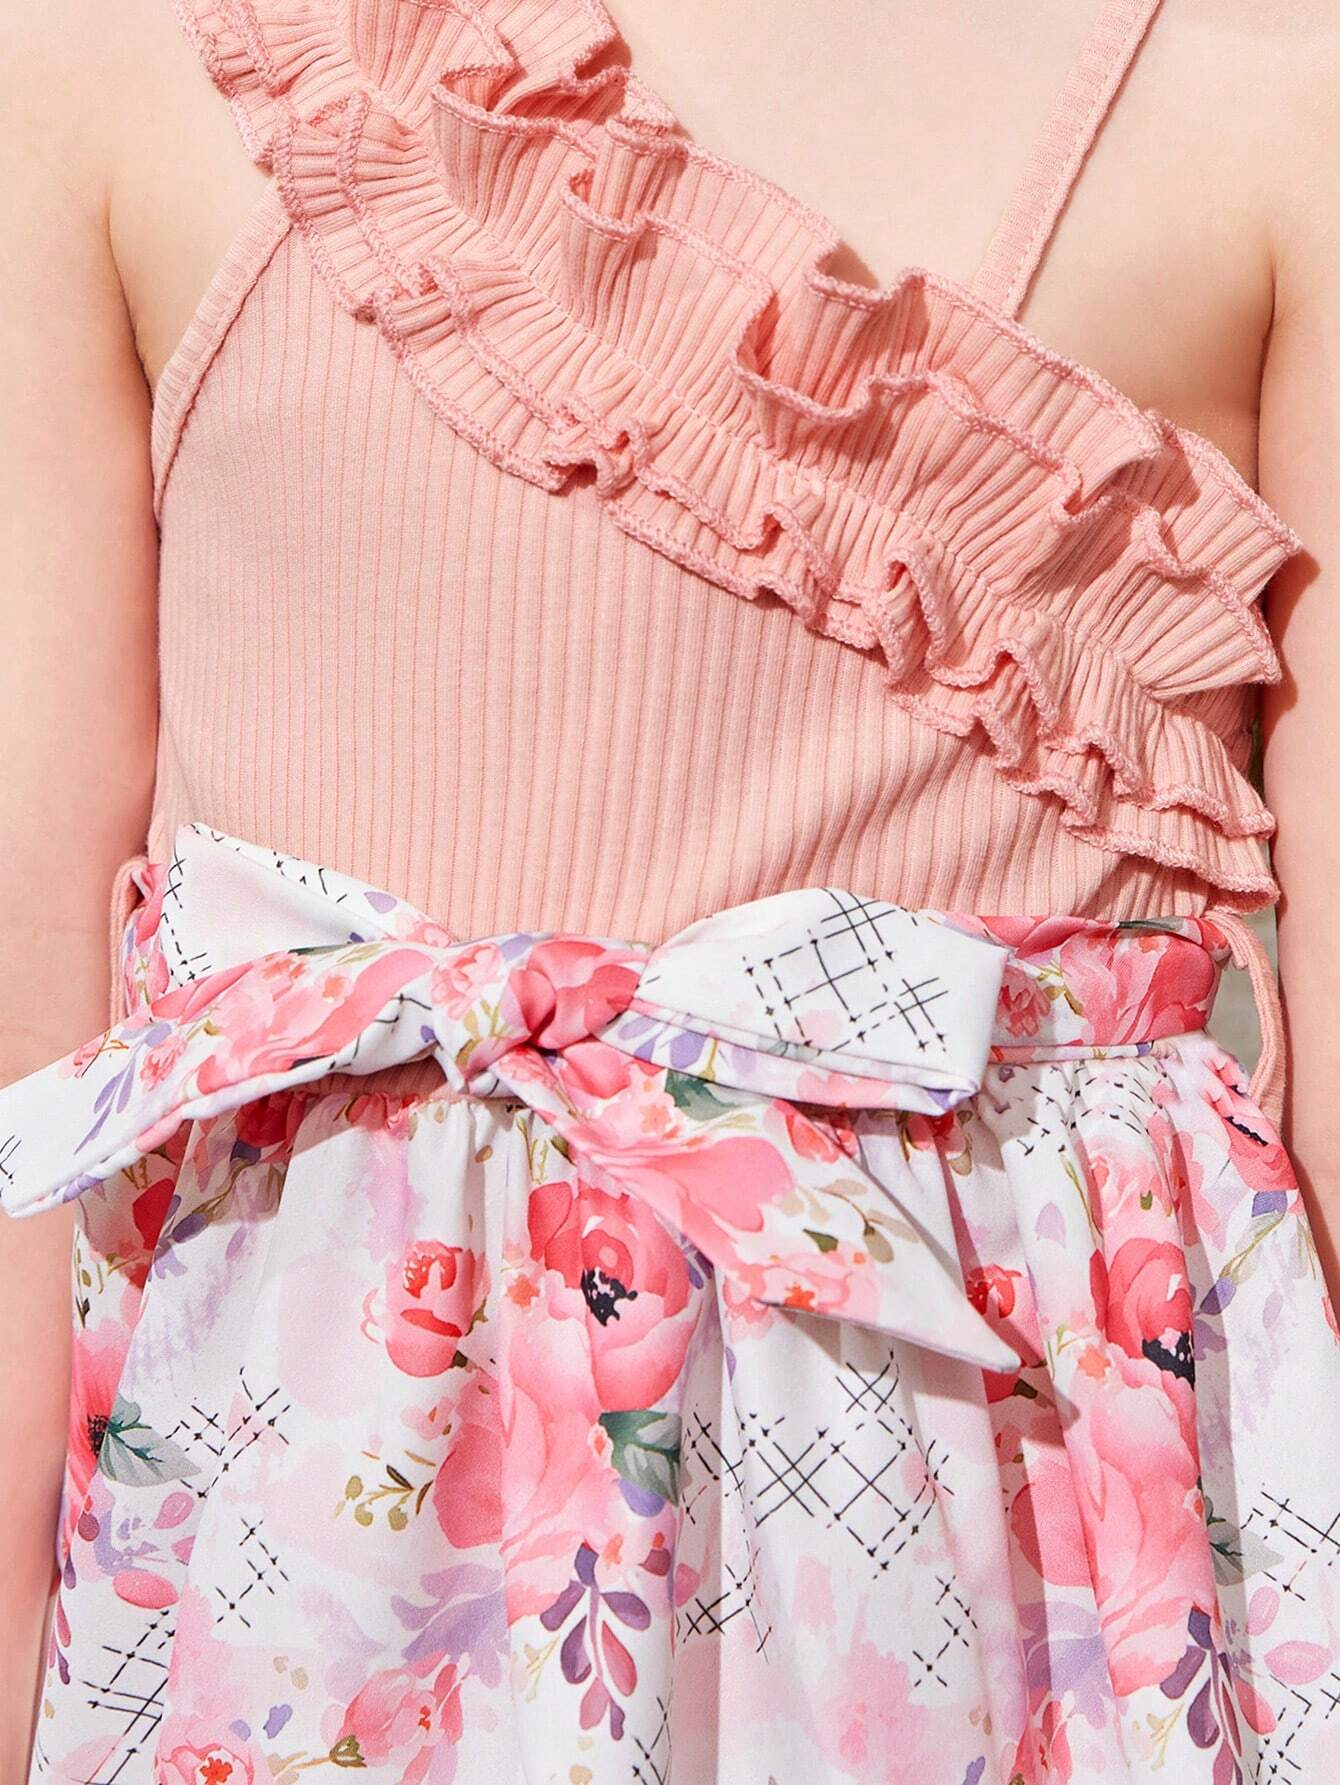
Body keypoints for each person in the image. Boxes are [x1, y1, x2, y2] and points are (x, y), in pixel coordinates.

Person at [2, 0, 1338, 1779]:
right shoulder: (111, 58)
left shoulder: (1272, 83)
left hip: (1001, 1610)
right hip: (297, 1596)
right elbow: (33, 1082)